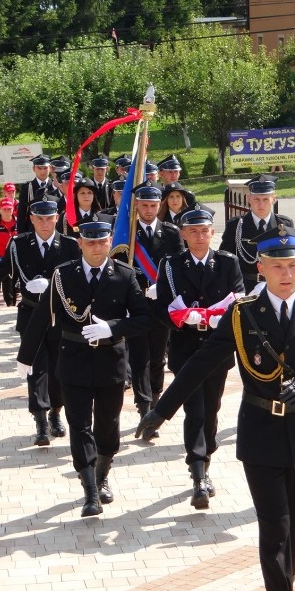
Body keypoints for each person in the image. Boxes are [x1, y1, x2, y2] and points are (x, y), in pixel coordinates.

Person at [137, 224, 295, 591]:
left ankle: (282, 590)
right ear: (261, 268)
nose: (286, 274)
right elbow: (200, 363)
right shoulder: (243, 314)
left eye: (292, 265)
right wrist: (161, 410)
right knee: (275, 524)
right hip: (261, 433)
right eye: (277, 266)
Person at [16, 220, 151, 517]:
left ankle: (103, 474)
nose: (96, 248)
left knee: (108, 424)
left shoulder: (124, 276)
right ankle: (89, 487)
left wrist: (113, 328)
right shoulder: (63, 275)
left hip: (110, 361)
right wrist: (25, 357)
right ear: (80, 244)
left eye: (102, 242)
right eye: (90, 243)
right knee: (79, 426)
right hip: (73, 360)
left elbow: (144, 318)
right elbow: (42, 316)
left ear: (108, 243)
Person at [0, 200, 80, 446]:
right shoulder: (19, 244)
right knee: (35, 369)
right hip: (31, 315)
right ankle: (40, 420)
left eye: (50, 218)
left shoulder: (69, 246)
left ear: (57, 218)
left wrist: (50, 285)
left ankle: (57, 413)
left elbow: (78, 280)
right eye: (40, 219)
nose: (45, 224)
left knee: (59, 369)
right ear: (32, 219)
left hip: (59, 318)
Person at [153, 206, 244, 509]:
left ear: (213, 233)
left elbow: (239, 296)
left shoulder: (227, 263)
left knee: (212, 408)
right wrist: (183, 317)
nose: (199, 236)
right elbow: (163, 305)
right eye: (193, 231)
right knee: (195, 409)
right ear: (183, 234)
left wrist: (222, 318)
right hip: (186, 348)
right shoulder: (171, 265)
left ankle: (207, 454)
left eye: (204, 231)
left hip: (217, 350)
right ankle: (198, 472)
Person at [124, 182, 184, 427]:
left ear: (159, 205)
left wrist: (164, 287)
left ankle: (156, 401)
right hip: (136, 303)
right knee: (139, 357)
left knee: (158, 356)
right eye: (144, 205)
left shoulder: (171, 232)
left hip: (161, 304)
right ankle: (143, 404)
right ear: (137, 205)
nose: (148, 210)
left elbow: (179, 266)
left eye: (152, 205)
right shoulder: (127, 232)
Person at [220, 174, 294, 292]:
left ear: (274, 199)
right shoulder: (235, 225)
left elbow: (292, 259)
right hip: (245, 287)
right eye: (256, 199)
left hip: (276, 285)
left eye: (265, 199)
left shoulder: (285, 225)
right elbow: (225, 260)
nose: (261, 204)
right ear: (249, 199)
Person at [17, 154, 64, 234]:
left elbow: (62, 207)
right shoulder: (27, 187)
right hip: (32, 230)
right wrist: (21, 233)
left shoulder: (57, 184)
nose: (42, 171)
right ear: (33, 169)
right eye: (39, 168)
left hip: (54, 229)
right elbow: (21, 213)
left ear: (50, 168)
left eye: (45, 168)